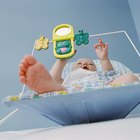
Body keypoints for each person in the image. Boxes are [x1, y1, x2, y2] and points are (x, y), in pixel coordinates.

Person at [19, 39, 139, 94]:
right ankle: (49, 87)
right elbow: (55, 79)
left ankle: (52, 87)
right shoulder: (69, 78)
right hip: (69, 93)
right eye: (79, 63)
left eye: (91, 64)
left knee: (130, 78)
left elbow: (109, 73)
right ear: (71, 70)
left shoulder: (100, 75)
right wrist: (62, 60)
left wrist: (103, 58)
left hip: (103, 91)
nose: (85, 64)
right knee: (56, 85)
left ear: (96, 68)